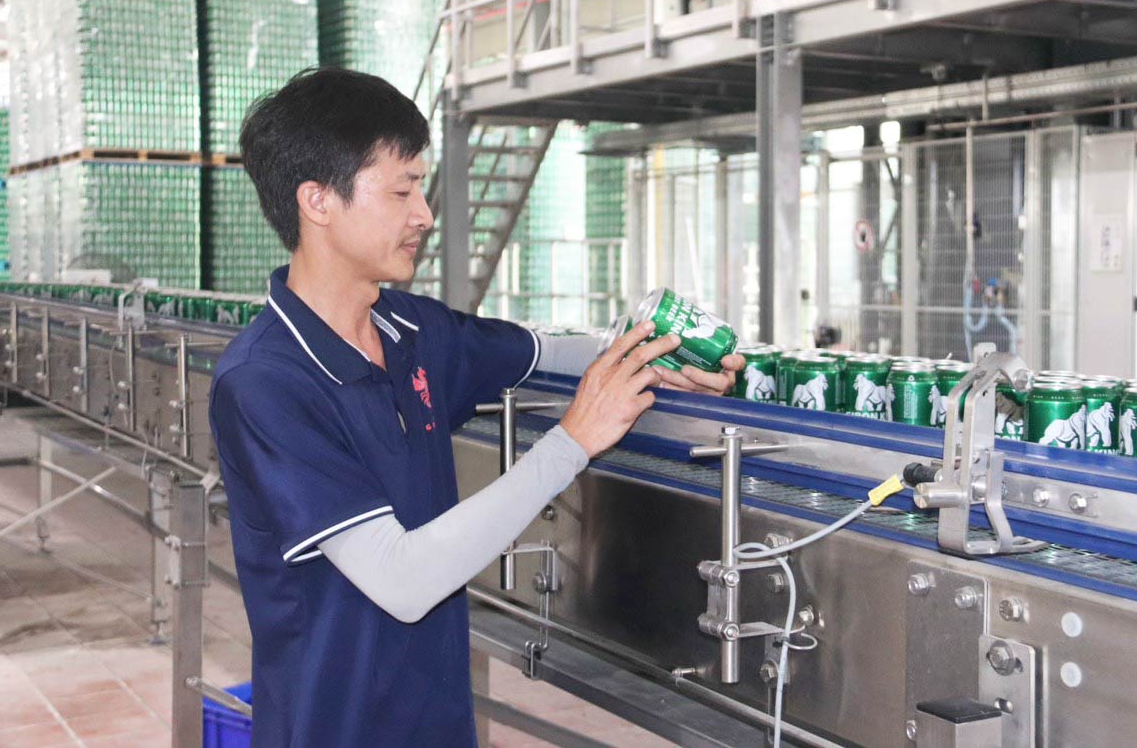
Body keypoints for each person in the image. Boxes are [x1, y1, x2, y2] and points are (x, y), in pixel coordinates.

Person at [208, 67, 745, 747]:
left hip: (437, 723)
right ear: (317, 200)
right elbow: (402, 579)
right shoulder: (267, 383)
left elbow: (552, 351)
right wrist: (572, 442)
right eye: (401, 189)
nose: (423, 213)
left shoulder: (412, 331)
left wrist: (659, 358)